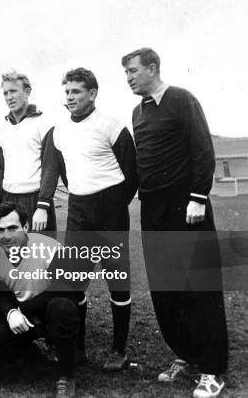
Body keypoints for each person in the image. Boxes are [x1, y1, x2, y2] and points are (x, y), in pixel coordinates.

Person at [122, 47, 228, 398]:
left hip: (187, 209)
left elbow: (202, 149)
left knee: (199, 290)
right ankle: (187, 355)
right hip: (154, 212)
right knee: (166, 290)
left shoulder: (182, 99)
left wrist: (198, 196)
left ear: (152, 68)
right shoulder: (139, 112)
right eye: (126, 73)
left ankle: (212, 370)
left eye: (134, 71)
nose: (129, 78)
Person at [40, 67, 137, 370]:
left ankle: (119, 350)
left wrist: (113, 204)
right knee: (73, 282)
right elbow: (66, 176)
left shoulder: (111, 125)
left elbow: (132, 172)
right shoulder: (58, 132)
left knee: (117, 280)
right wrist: (82, 195)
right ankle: (78, 347)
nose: (69, 97)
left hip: (111, 209)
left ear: (92, 94)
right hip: (79, 210)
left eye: (76, 91)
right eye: (67, 92)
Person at [0, 202, 80, 397]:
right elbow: (1, 295)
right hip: (24, 313)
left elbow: (65, 290)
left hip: (50, 308)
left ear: (25, 227)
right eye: (0, 230)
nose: (7, 235)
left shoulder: (48, 247)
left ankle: (65, 375)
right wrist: (11, 313)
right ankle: (30, 354)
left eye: (13, 228)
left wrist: (24, 310)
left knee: (62, 307)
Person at [0, 71, 56, 232]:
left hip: (35, 200)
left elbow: (50, 168)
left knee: (41, 254)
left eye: (13, 91)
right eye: (5, 93)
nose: (9, 97)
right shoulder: (0, 129)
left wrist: (43, 206)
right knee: (11, 255)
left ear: (27, 92)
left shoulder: (44, 123)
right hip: (8, 199)